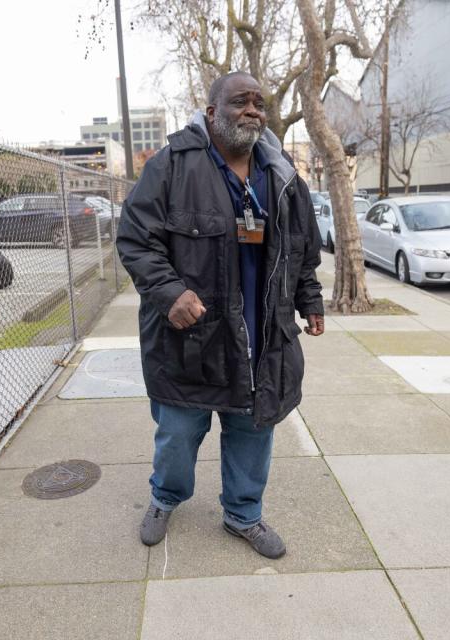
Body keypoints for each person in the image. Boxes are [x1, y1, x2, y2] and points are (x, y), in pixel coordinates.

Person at [116, 72, 324, 559]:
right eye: (239, 102)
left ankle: (243, 515)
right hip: (190, 342)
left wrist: (309, 300)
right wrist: (170, 293)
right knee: (178, 434)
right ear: (211, 112)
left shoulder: (282, 174)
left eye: (259, 103)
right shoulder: (170, 166)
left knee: (253, 433)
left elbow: (303, 248)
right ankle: (165, 498)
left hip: (263, 339)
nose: (253, 110)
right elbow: (135, 239)